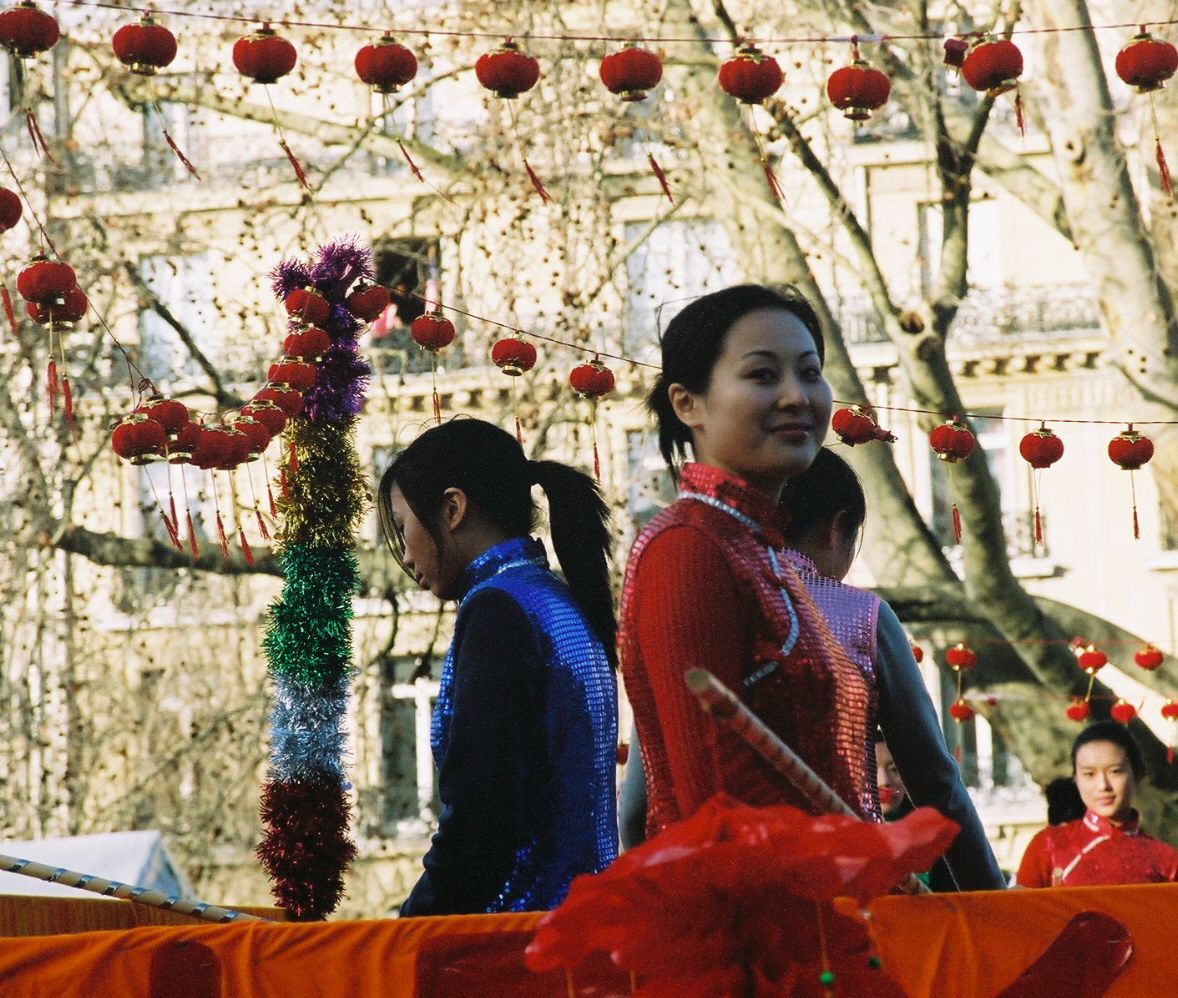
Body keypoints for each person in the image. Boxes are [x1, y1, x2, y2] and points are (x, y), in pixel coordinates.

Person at [619, 283, 1005, 890]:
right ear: (687, 403)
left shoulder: (759, 551)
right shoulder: (689, 548)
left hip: (827, 925)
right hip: (761, 944)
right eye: (762, 375)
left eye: (810, 372)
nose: (798, 397)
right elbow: (711, 814)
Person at [378, 418, 619, 916]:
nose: (405, 553)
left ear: (452, 509)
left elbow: (481, 821)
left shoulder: (498, 610)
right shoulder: (555, 598)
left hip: (515, 943)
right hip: (581, 929)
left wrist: (407, 930)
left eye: (404, 528)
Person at [1016, 720, 1178, 887]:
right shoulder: (1047, 845)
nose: (1103, 786)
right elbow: (1022, 909)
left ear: (1138, 774)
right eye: (1089, 774)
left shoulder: (1167, 861)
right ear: (1076, 779)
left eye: (1115, 771)